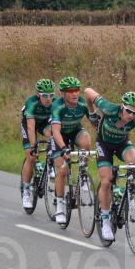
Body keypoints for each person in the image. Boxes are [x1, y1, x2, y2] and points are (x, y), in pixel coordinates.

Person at [84, 87, 135, 240]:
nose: (132, 115)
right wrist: (92, 113)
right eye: (129, 111)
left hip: (121, 144)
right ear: (122, 107)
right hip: (104, 145)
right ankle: (105, 220)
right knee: (106, 181)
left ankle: (128, 192)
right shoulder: (108, 108)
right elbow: (87, 91)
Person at [47, 76, 92, 223]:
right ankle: (60, 206)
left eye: (77, 90)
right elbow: (55, 131)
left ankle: (83, 174)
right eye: (70, 91)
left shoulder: (82, 104)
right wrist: (64, 148)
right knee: (62, 171)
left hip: (74, 130)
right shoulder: (57, 106)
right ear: (62, 93)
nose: (74, 94)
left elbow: (94, 122)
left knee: (86, 140)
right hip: (60, 136)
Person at [20, 78, 55, 209]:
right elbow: (30, 127)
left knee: (54, 136)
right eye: (45, 95)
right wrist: (33, 146)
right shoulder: (31, 103)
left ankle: (50, 164)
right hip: (29, 124)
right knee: (31, 156)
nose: (48, 98)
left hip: (44, 124)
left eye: (51, 95)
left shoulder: (55, 102)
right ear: (38, 94)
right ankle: (26, 191)